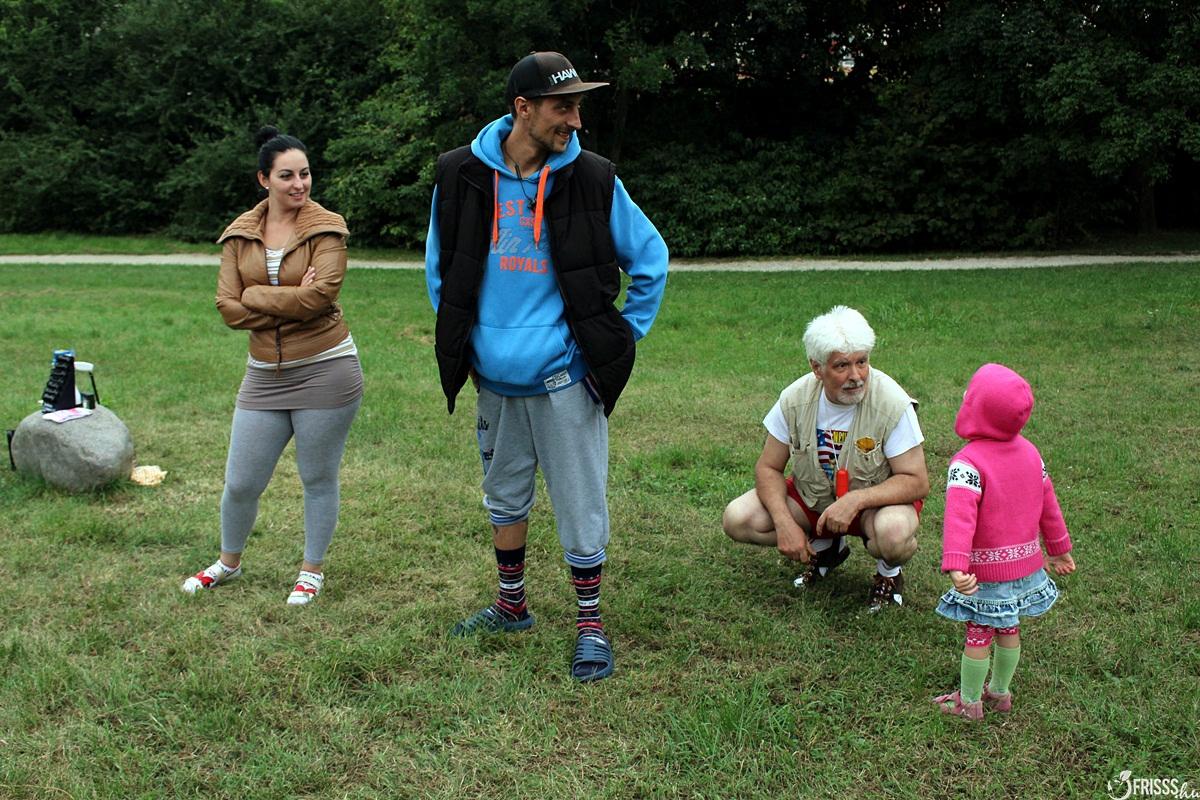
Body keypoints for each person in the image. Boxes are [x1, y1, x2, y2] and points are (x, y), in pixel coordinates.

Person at [425, 51, 668, 682]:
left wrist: (616, 338)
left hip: (566, 379)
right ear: (523, 109)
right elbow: (441, 270)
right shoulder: (459, 174)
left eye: (578, 107)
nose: (575, 121)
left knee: (580, 504)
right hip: (495, 382)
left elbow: (651, 260)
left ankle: (590, 625)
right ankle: (511, 605)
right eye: (564, 107)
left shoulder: (592, 178)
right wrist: (467, 343)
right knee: (504, 495)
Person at [181, 126, 362, 606]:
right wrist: (290, 296)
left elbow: (320, 297)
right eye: (287, 176)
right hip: (264, 373)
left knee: (317, 478)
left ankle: (311, 571)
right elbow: (227, 307)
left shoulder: (327, 228)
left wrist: (255, 295)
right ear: (264, 179)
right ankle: (229, 562)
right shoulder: (240, 234)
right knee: (241, 482)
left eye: (305, 174)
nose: (299, 184)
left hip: (326, 368)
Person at [722, 305, 929, 611]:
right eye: (842, 365)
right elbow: (768, 467)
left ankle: (889, 574)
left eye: (862, 362)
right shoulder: (793, 399)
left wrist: (856, 500)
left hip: (875, 507)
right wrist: (784, 523)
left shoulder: (892, 402)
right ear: (817, 368)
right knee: (738, 518)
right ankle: (826, 548)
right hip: (814, 499)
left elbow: (916, 481)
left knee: (894, 535)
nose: (856, 376)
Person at [931, 363, 1075, 719]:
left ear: (976, 410)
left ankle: (969, 702)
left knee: (979, 632)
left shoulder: (967, 463)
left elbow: (960, 519)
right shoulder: (1032, 454)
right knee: (1009, 627)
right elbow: (1049, 506)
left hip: (986, 574)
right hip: (1025, 568)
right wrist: (1059, 549)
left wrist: (956, 564)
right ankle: (999, 692)